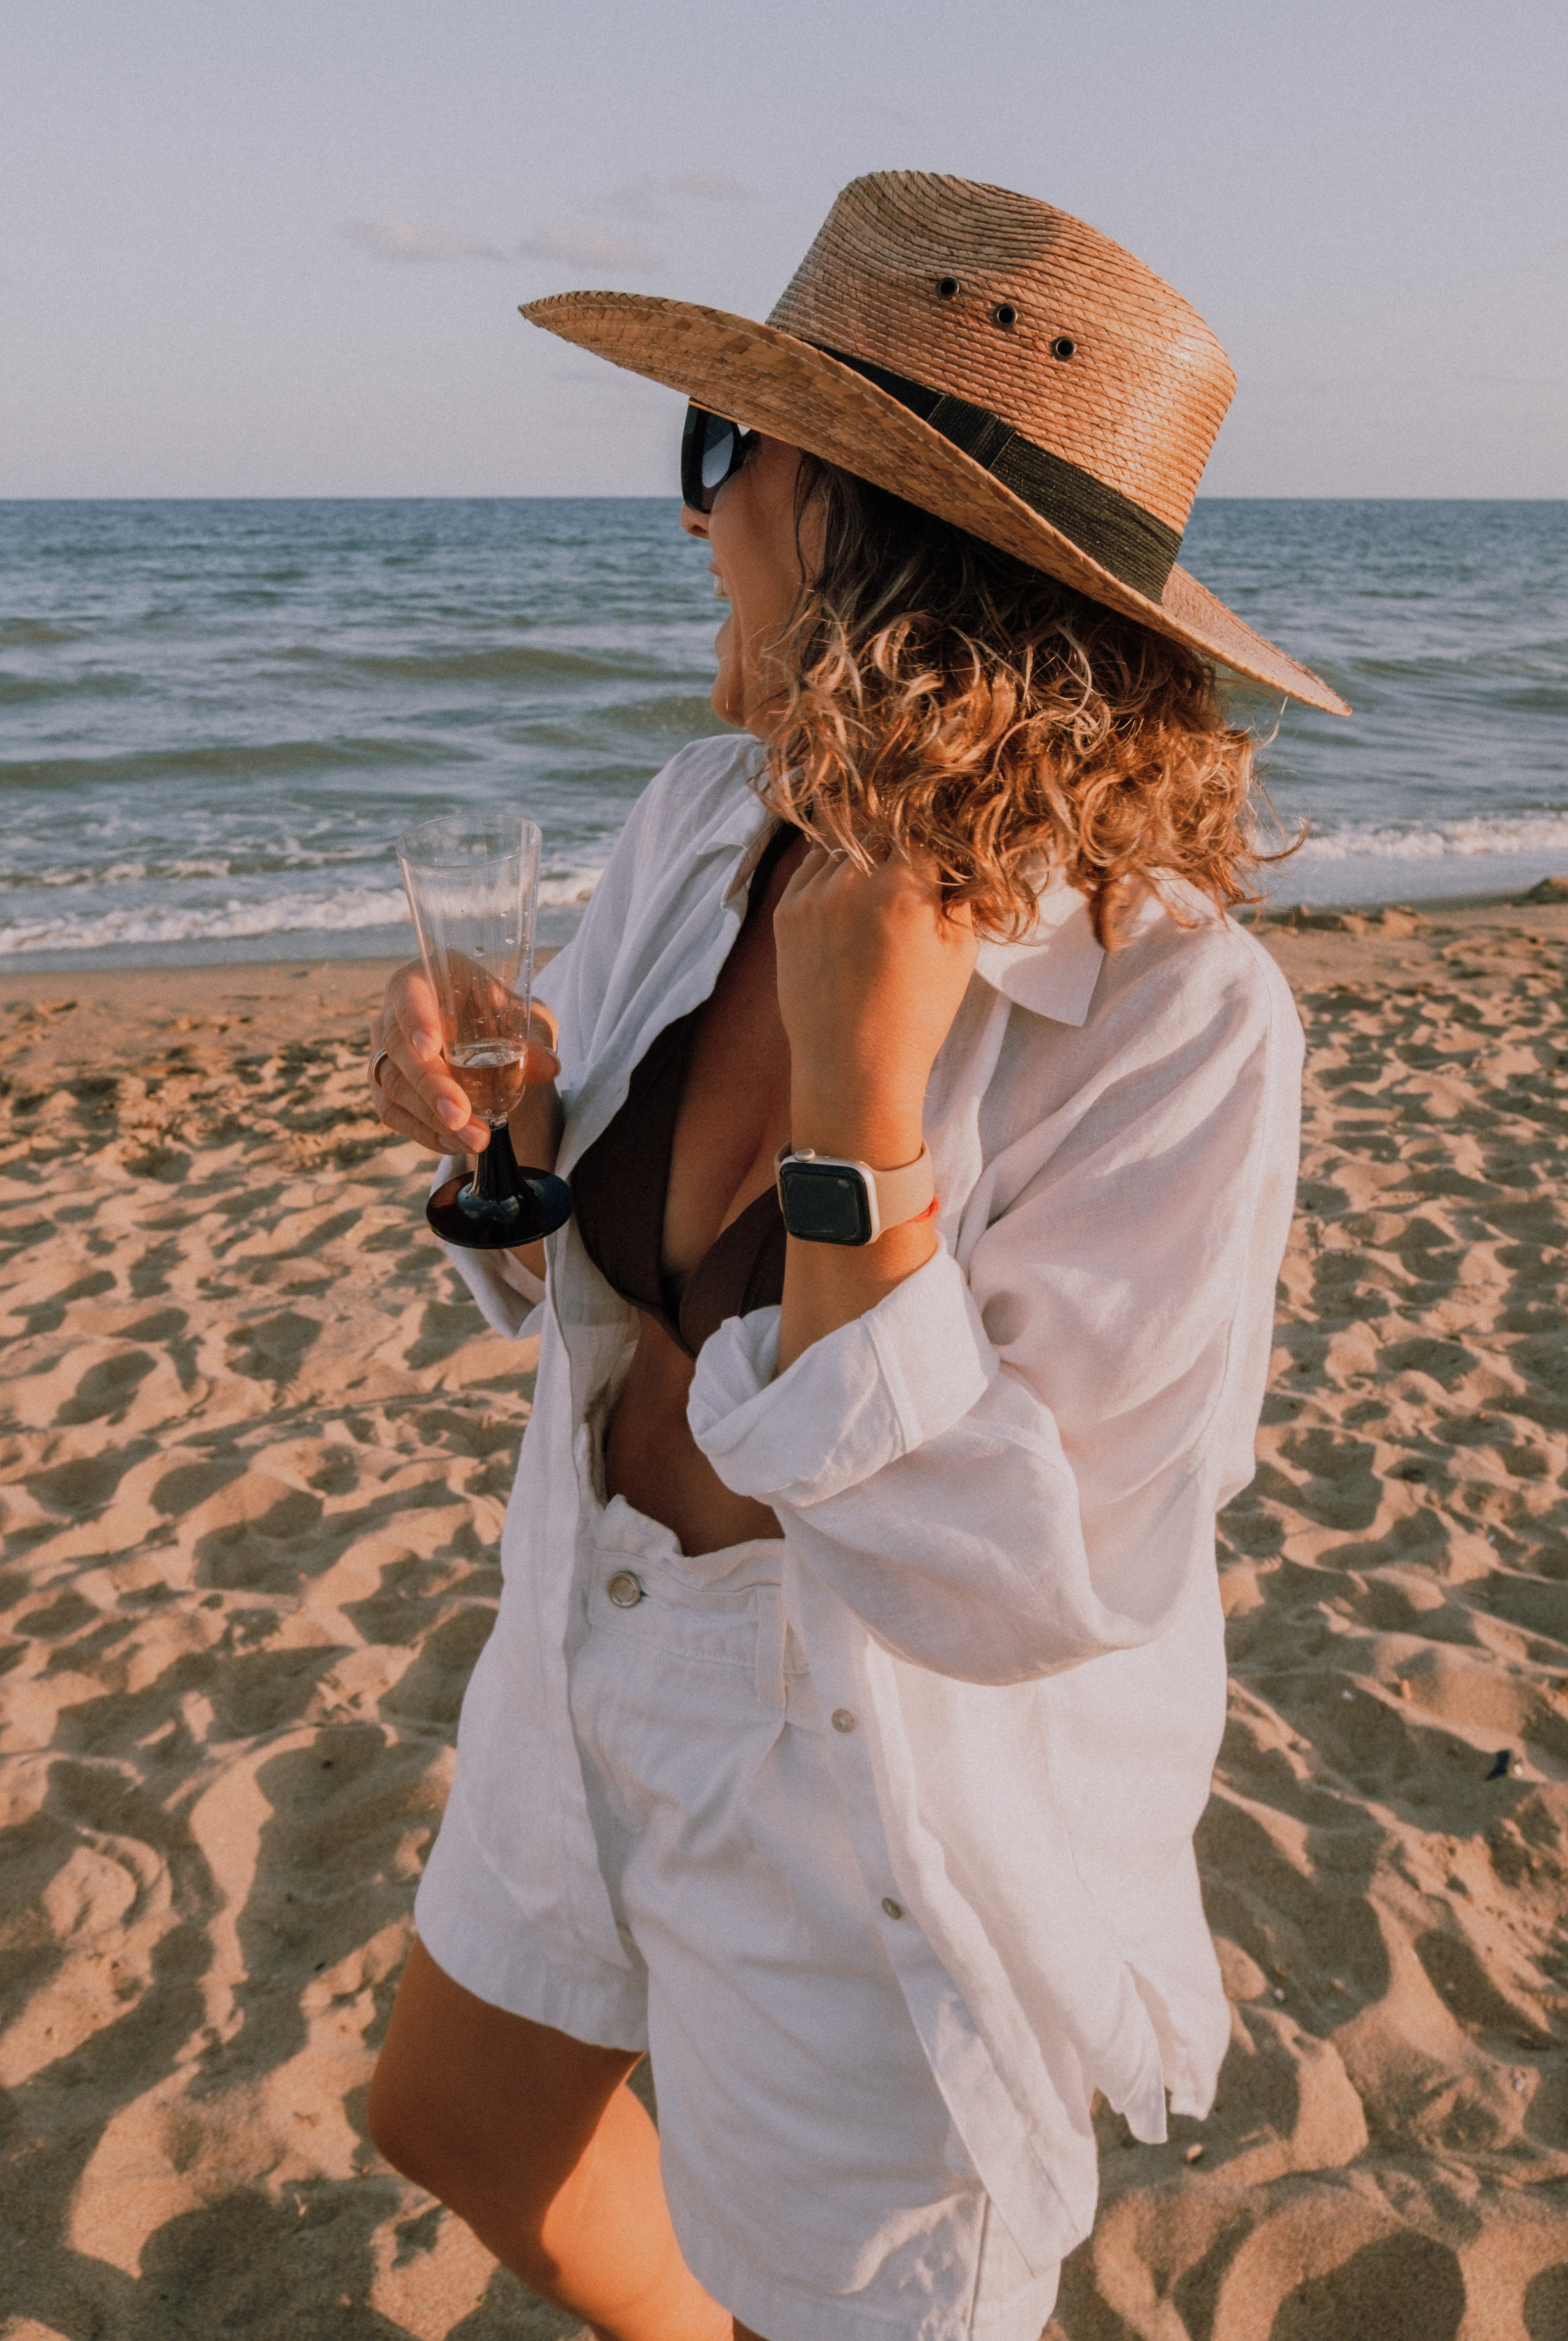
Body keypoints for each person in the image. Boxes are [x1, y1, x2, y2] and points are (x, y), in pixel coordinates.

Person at [364, 172, 1347, 2341]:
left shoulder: (1177, 1022)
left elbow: (1033, 1582)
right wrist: (509, 1162)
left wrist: (868, 1128)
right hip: (583, 1647)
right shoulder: (706, 822)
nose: (694, 519)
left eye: (725, 458)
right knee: (454, 2109)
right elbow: (584, 1300)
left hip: (858, 1813)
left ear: (858, 536)